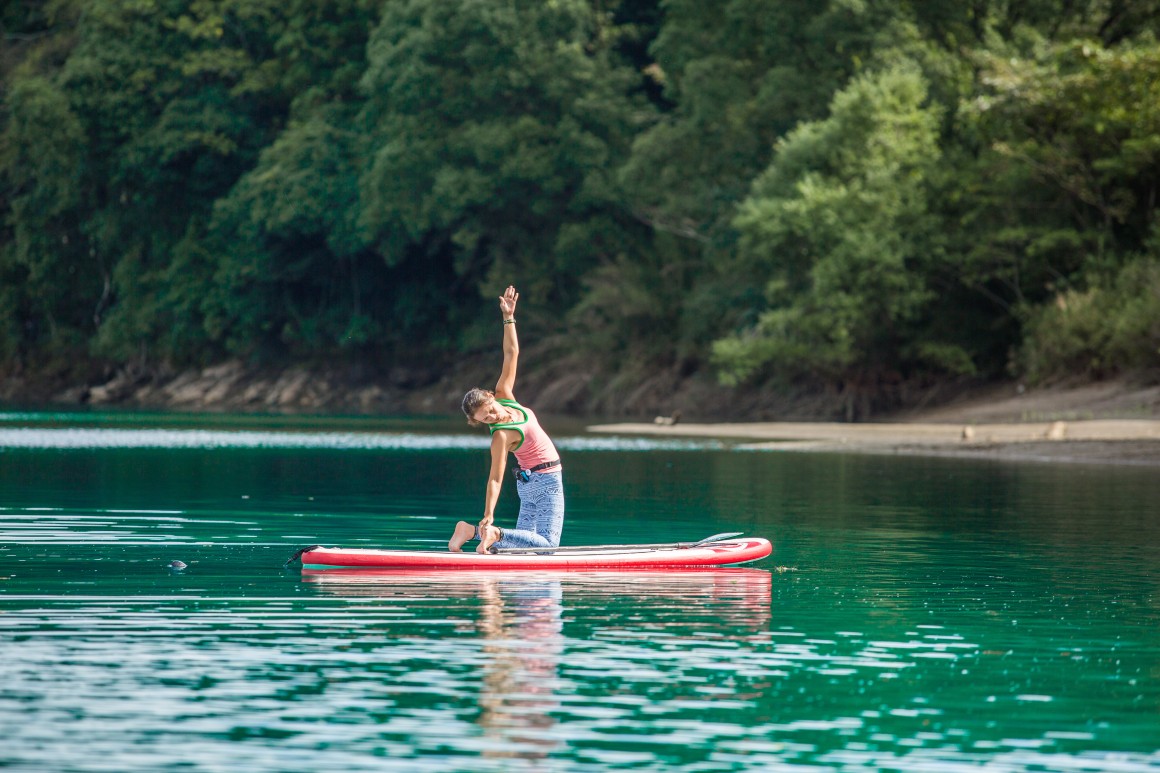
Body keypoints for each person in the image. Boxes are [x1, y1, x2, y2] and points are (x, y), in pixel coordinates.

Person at [449, 286, 565, 554]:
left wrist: (509, 317)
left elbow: (511, 354)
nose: (492, 416)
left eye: (489, 409)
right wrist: (489, 514)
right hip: (546, 482)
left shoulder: (505, 395)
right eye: (485, 418)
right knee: (548, 547)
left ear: (491, 397)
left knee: (523, 548)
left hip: (529, 482)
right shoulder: (501, 435)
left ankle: (470, 532)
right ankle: (493, 533)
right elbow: (495, 479)